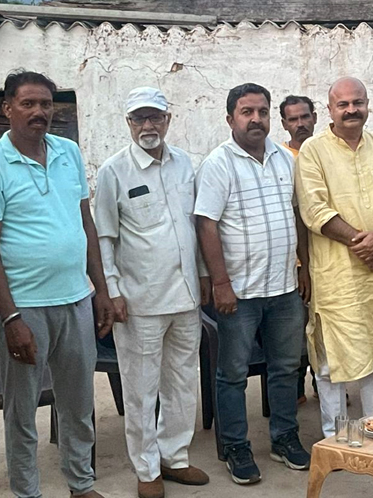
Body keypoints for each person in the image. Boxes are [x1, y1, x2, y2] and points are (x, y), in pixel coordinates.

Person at [0, 70, 114, 498]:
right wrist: (11, 317)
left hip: (76, 300)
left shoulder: (68, 152)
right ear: (7, 109)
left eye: (45, 104)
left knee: (78, 405)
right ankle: (27, 492)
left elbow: (85, 223)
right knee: (21, 415)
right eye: (28, 104)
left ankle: (81, 484)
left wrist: (102, 290)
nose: (39, 112)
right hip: (27, 308)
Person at [93, 87, 211, 498]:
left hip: (186, 297)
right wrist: (111, 290)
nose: (148, 126)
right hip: (140, 300)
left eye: (155, 117)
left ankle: (174, 457)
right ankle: (146, 469)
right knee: (141, 389)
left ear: (167, 119)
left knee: (181, 381)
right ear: (128, 123)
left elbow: (192, 228)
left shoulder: (185, 165)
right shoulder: (114, 171)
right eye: (139, 118)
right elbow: (104, 237)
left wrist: (203, 275)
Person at [194, 83, 311, 485]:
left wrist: (304, 268)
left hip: (282, 287)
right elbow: (206, 224)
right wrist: (221, 282)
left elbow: (297, 215)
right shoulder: (218, 164)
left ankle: (284, 438)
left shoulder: (284, 158)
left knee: (285, 367)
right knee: (232, 373)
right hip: (239, 292)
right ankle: (236, 446)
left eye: (262, 111)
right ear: (231, 119)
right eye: (247, 112)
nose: (255, 119)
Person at [295, 76, 373, 438]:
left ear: (367, 107)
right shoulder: (314, 151)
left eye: (357, 103)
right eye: (343, 104)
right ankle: (337, 436)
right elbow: (314, 210)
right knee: (332, 358)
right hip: (337, 275)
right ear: (329, 109)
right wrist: (363, 243)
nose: (351, 110)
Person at [278, 93, 318, 403]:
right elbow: (295, 215)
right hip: (295, 261)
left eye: (305, 117)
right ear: (284, 124)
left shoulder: (326, 153)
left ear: (315, 118)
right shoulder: (281, 159)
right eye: (293, 119)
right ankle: (295, 387)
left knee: (324, 325)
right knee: (295, 330)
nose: (300, 124)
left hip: (329, 255)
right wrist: (302, 265)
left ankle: (324, 383)